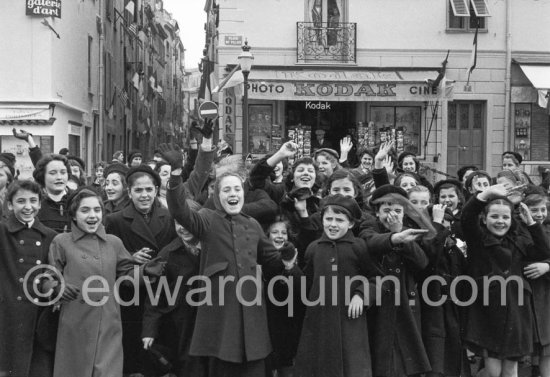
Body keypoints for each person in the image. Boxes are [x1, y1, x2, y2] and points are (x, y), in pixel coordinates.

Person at [164, 139, 298, 376]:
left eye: (237, 189)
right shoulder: (206, 219)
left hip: (252, 321)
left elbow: (273, 266)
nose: (233, 194)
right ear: (217, 194)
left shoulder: (253, 224)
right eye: (227, 190)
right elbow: (178, 210)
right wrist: (175, 174)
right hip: (219, 322)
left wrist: (287, 259)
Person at [47, 188, 165, 377]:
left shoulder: (114, 243)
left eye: (97, 210)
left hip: (108, 322)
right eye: (85, 210)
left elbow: (126, 275)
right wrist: (57, 288)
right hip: (75, 323)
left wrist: (145, 271)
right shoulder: (61, 242)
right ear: (74, 215)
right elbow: (50, 276)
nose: (92, 215)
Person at [461, 184, 550, 377]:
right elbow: (467, 217)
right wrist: (485, 194)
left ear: (512, 219)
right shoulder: (478, 239)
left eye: (505, 217)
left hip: (517, 309)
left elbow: (542, 251)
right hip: (488, 310)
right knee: (493, 370)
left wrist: (532, 225)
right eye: (494, 216)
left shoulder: (518, 240)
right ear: (484, 219)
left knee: (511, 369)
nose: (500, 221)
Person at [104, 165, 177, 375]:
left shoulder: (169, 218)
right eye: (138, 190)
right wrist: (129, 257)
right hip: (130, 297)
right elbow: (107, 258)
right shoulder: (114, 220)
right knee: (133, 355)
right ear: (129, 192)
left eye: (149, 190)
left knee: (160, 357)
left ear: (156, 190)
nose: (144, 195)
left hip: (162, 294)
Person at [293, 195, 374, 377]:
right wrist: (291, 269)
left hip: (349, 323)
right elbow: (306, 285)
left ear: (351, 224)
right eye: (328, 219)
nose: (333, 224)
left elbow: (377, 278)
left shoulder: (358, 247)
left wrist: (361, 295)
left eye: (340, 220)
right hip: (318, 324)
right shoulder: (314, 248)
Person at [359, 184, 432, 377]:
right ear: (376, 212)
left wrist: (401, 233)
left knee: (405, 362)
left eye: (397, 210)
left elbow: (422, 262)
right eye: (387, 210)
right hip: (379, 303)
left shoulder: (410, 230)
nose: (392, 215)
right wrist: (395, 237)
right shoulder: (368, 227)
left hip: (405, 303)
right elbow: (370, 243)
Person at [0, 180, 58, 377]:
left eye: (33, 201)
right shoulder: (2, 233)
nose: (28, 207)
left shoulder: (50, 236)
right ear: (10, 205)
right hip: (7, 315)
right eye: (21, 201)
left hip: (38, 318)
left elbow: (52, 271)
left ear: (40, 204)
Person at [141, 203, 203, 377]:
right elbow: (155, 296)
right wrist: (149, 331)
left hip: (212, 321)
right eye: (178, 223)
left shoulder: (215, 248)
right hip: (182, 326)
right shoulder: (168, 254)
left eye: (187, 222)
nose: (183, 228)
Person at [523, 193, 550, 377]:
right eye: (534, 210)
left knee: (547, 348)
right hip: (526, 291)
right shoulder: (518, 231)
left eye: (543, 209)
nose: (540, 214)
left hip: (546, 294)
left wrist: (547, 266)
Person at [32, 154, 73, 233]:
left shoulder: (77, 199)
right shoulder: (35, 201)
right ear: (42, 176)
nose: (59, 177)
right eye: (53, 173)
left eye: (63, 172)